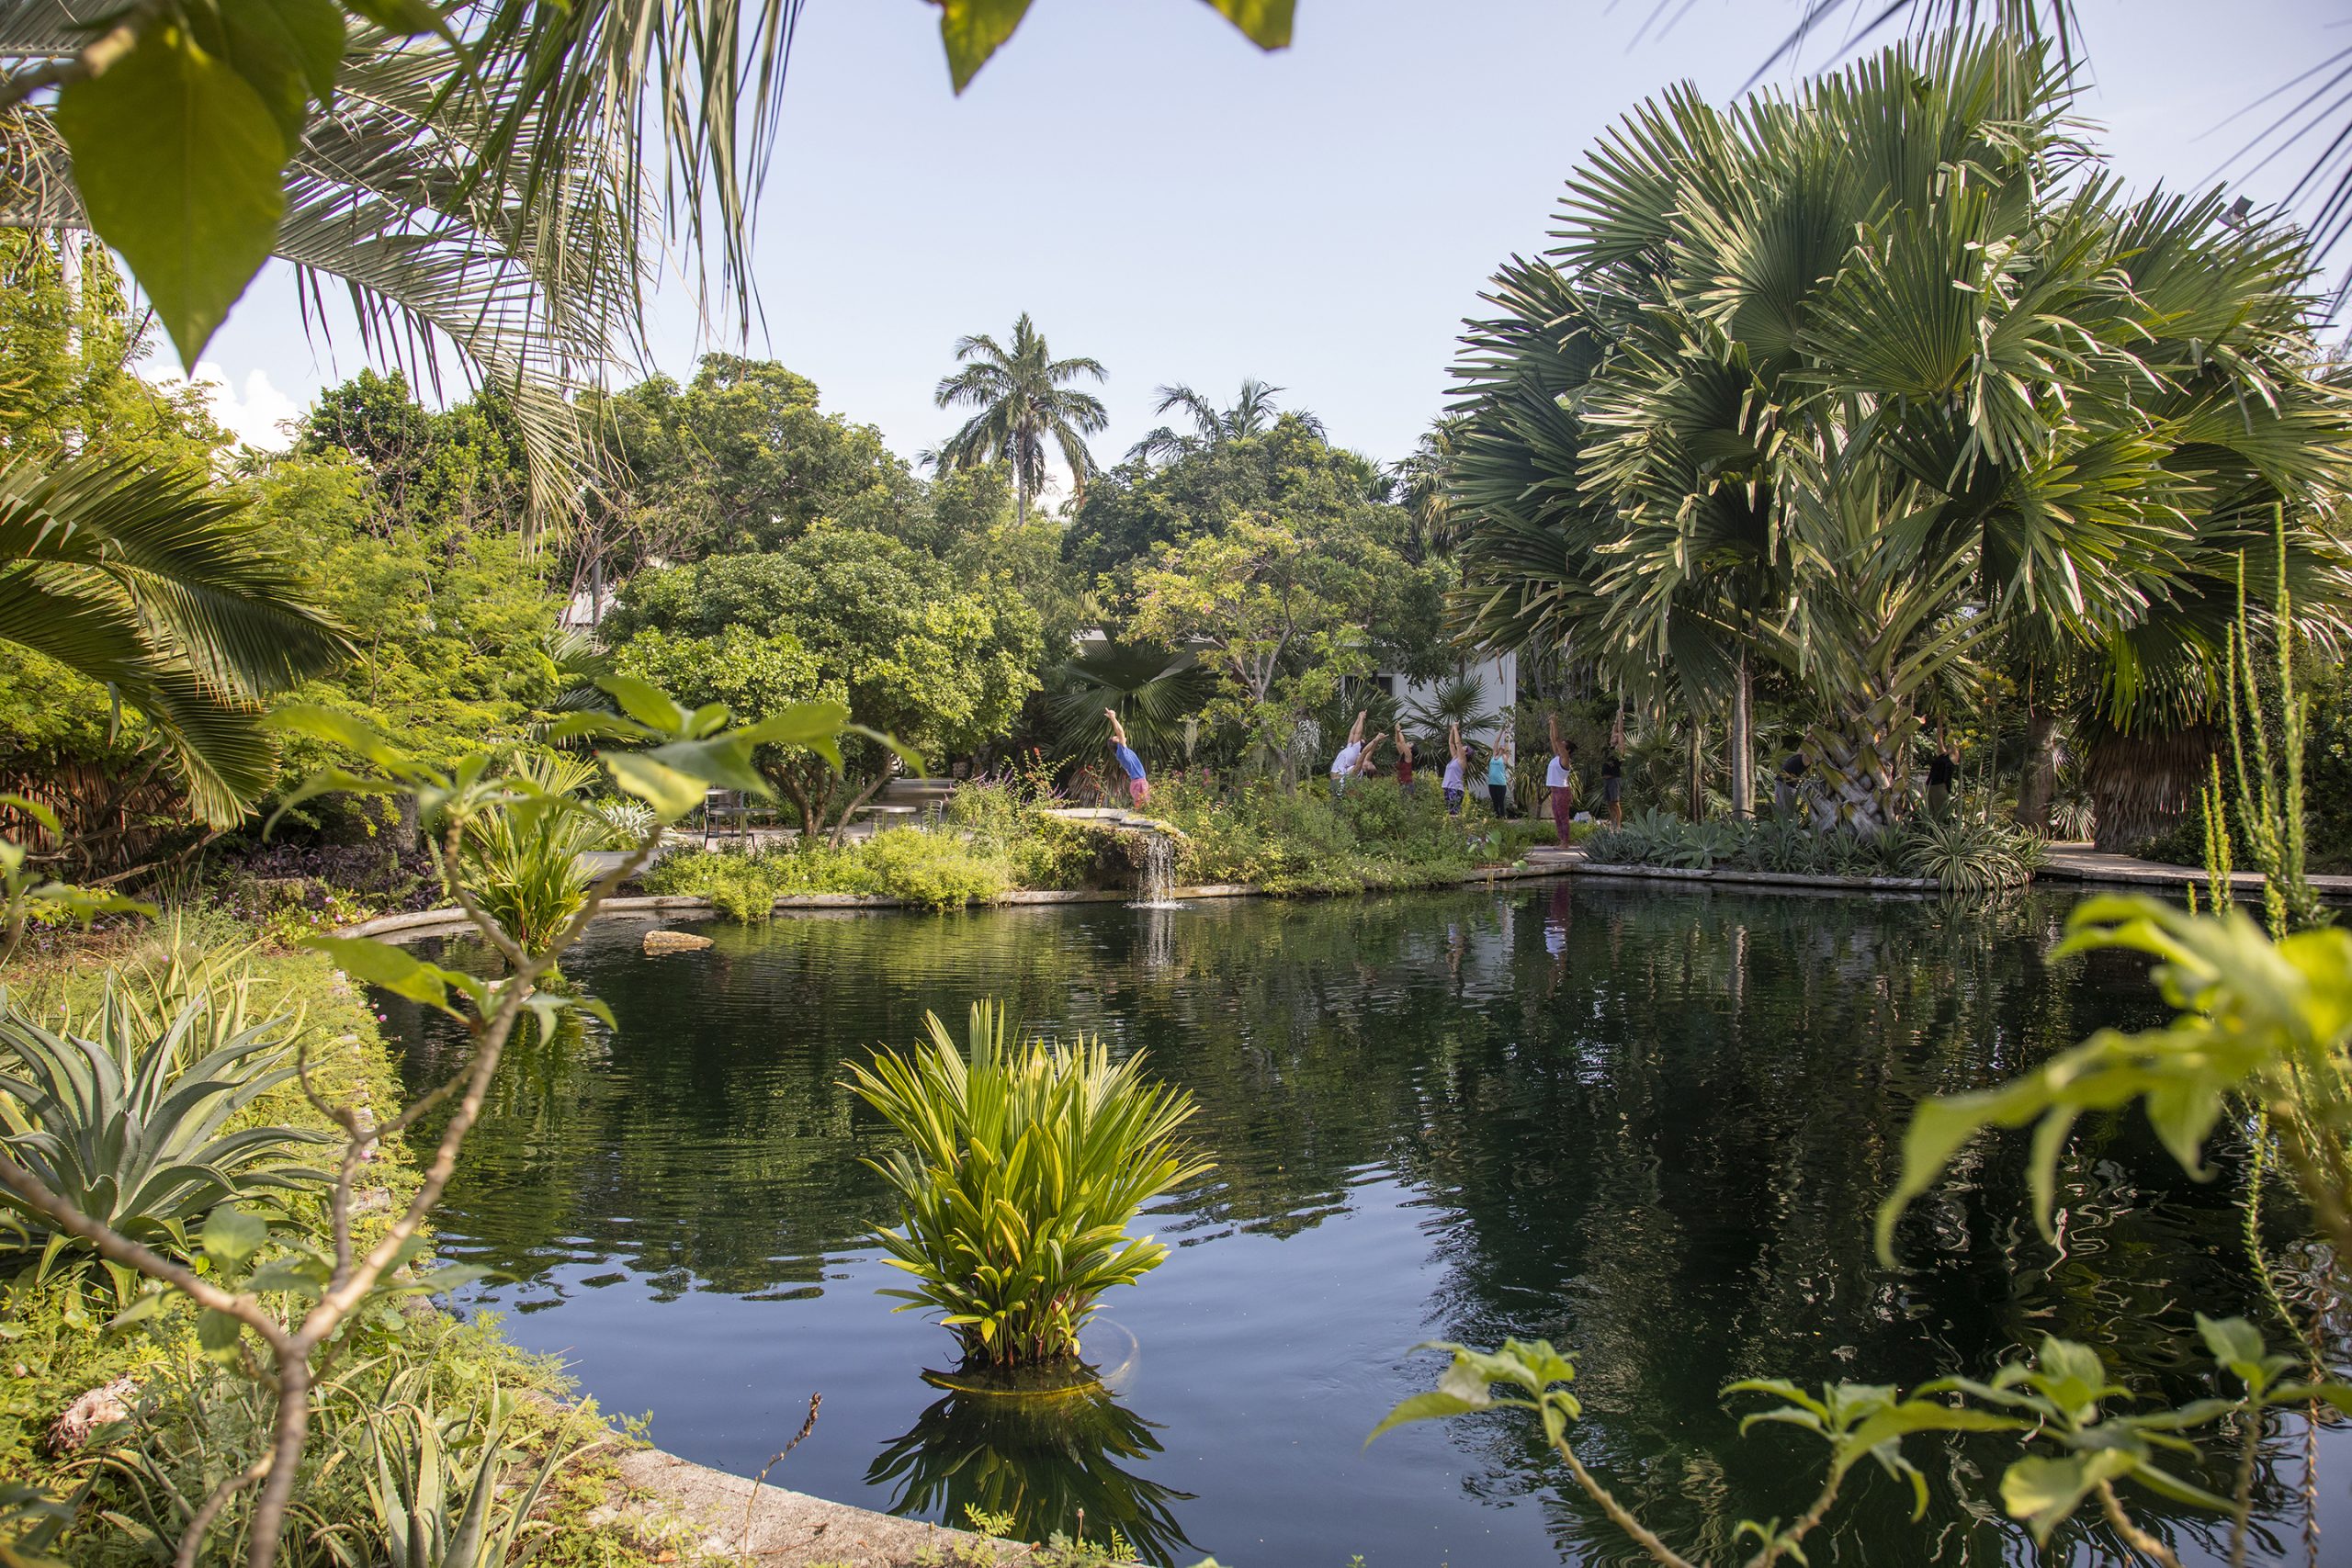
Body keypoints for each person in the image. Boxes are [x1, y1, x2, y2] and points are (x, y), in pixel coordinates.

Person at [1544, 713, 1577, 846]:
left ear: (1567, 750)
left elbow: (1557, 739)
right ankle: (1561, 840)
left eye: (1562, 746)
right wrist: (1551, 723)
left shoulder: (1565, 759)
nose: (1559, 747)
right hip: (1555, 791)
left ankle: (1565, 841)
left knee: (1563, 816)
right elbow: (1553, 739)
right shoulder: (1556, 757)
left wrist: (1555, 722)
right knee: (1557, 817)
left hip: (1562, 791)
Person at [1105, 708, 1148, 807]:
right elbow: (1120, 732)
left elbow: (1120, 733)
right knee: (1143, 807)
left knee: (1144, 807)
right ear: (1117, 744)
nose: (1118, 736)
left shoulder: (1124, 752)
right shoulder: (1121, 751)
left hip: (1139, 781)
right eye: (1116, 737)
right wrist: (1113, 718)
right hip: (1139, 782)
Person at [1329, 709, 1370, 797]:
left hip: (1338, 778)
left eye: (1360, 741)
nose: (1358, 739)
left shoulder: (1356, 751)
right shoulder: (1350, 749)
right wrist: (1358, 719)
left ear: (1360, 746)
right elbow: (1352, 733)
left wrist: (1362, 719)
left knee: (1338, 801)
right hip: (1334, 777)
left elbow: (1358, 732)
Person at [1926, 733, 1959, 817]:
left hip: (1940, 787)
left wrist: (1948, 725)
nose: (1949, 744)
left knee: (1941, 815)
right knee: (1932, 814)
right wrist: (1940, 721)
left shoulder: (1954, 757)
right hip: (1930, 786)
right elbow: (1939, 737)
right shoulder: (1942, 755)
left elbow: (1953, 741)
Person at [1774, 740, 1807, 818]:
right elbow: (1806, 742)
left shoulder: (1804, 761)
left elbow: (1814, 755)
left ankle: (1791, 829)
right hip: (1780, 784)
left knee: (1788, 814)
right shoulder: (1798, 756)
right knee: (1780, 813)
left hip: (1787, 787)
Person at [1486, 724, 1512, 818]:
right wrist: (1501, 730)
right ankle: (1496, 819)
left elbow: (1506, 744)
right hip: (1492, 782)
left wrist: (1506, 733)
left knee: (1501, 802)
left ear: (1505, 750)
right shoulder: (1494, 756)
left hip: (1501, 783)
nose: (1502, 746)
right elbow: (1496, 741)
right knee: (1495, 802)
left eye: (1503, 746)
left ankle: (1503, 818)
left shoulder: (1504, 757)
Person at [1442, 721, 1467, 816]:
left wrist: (1455, 727)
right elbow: (1451, 743)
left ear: (1466, 753)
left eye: (1464, 748)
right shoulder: (1455, 758)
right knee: (1448, 815)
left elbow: (1457, 742)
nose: (1462, 747)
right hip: (1447, 787)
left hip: (1455, 789)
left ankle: (1458, 830)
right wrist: (1452, 729)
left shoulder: (1462, 760)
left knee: (1454, 815)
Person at [1600, 746, 1623, 829]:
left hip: (1614, 779)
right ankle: (1613, 823)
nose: (1613, 737)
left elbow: (1621, 743)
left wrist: (1620, 732)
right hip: (1606, 780)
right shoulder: (1609, 749)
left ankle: (1618, 825)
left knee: (1615, 803)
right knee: (1610, 803)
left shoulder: (1618, 752)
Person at [1394, 727, 1416, 795]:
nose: (1407, 743)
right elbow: (1398, 742)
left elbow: (1402, 742)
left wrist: (1399, 731)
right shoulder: (1403, 754)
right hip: (1402, 784)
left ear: (1411, 750)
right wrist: (1396, 732)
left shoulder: (1409, 756)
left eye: (1409, 744)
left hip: (1407, 785)